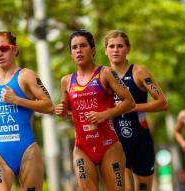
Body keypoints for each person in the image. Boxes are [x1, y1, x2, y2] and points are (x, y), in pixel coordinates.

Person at [0, 31, 54, 191]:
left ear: (14, 50)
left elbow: (49, 106)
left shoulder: (26, 76)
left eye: (4, 48)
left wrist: (17, 100)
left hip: (27, 150)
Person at [55, 29, 136, 191]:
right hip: (82, 147)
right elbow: (67, 111)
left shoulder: (105, 73)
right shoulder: (66, 81)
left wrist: (104, 114)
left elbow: (130, 102)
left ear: (92, 50)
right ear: (71, 53)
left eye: (83, 46)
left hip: (109, 145)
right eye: (74, 47)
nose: (78, 50)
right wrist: (62, 111)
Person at [104, 30, 169, 191]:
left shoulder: (139, 72)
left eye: (120, 46)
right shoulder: (102, 76)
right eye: (111, 46)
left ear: (128, 49)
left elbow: (162, 103)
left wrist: (131, 107)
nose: (115, 50)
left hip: (140, 140)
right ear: (105, 50)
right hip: (115, 142)